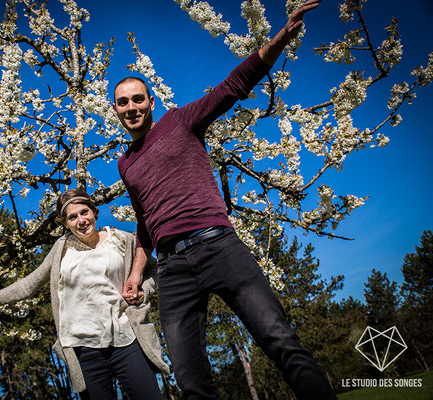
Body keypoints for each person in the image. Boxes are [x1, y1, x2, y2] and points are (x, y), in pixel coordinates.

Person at [114, 0, 337, 399]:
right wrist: (135, 273)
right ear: (115, 110)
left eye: (138, 99)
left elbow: (233, 86)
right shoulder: (124, 165)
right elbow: (145, 221)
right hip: (173, 270)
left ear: (151, 102)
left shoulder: (180, 121)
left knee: (278, 339)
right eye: (123, 102)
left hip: (218, 245)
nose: (131, 107)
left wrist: (279, 40)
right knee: (191, 381)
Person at [0, 189, 169, 400]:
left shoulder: (121, 240)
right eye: (72, 217)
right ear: (65, 224)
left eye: (84, 212)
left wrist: (143, 290)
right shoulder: (62, 249)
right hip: (84, 350)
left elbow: (151, 269)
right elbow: (28, 285)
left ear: (94, 211)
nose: (81, 221)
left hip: (125, 340)